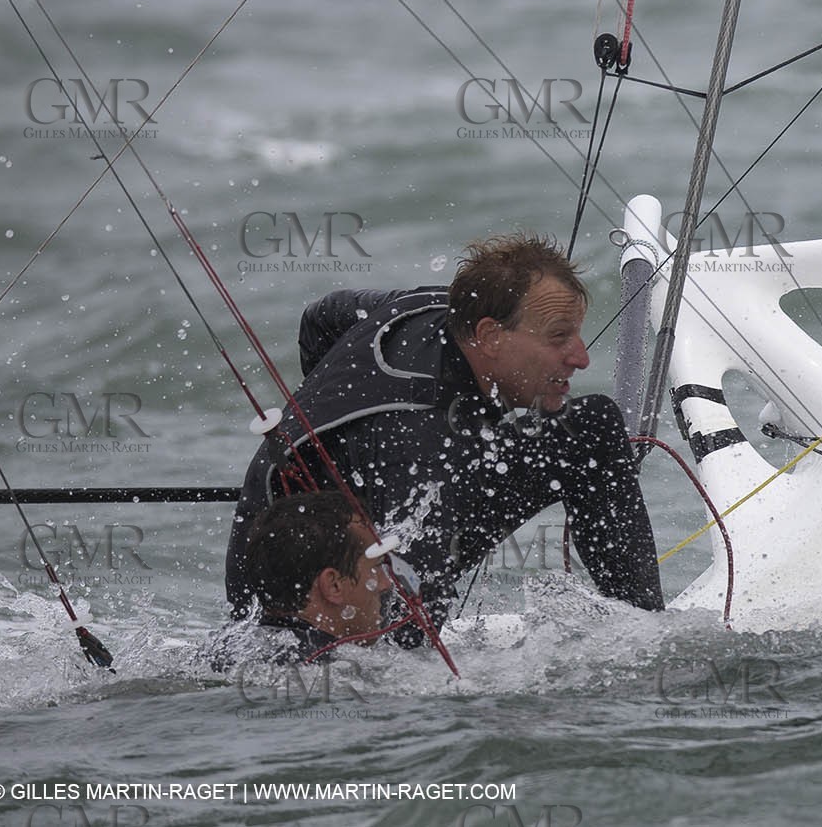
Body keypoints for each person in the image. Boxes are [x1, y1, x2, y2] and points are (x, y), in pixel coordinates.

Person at [224, 232, 664, 637]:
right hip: (299, 599)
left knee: (591, 426)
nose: (580, 358)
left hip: (388, 499)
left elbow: (322, 316)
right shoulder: (421, 442)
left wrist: (329, 404)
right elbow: (414, 627)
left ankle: (644, 625)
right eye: (558, 338)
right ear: (490, 335)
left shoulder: (438, 307)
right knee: (415, 622)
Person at [240, 490, 389, 663]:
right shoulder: (340, 669)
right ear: (334, 585)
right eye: (377, 566)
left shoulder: (237, 647)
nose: (386, 584)